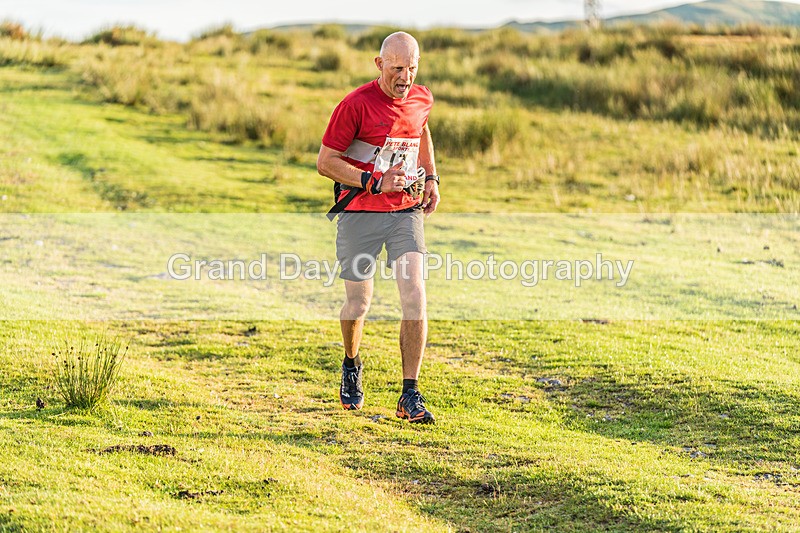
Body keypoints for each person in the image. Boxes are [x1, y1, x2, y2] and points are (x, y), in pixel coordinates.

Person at [316, 31, 440, 424]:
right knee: (359, 304)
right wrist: (373, 181)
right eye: (398, 68)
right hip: (360, 212)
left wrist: (432, 178)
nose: (405, 77)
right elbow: (326, 161)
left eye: (412, 68)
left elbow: (421, 130)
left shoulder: (421, 97)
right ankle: (351, 362)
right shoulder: (355, 105)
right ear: (379, 64)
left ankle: (410, 394)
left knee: (414, 293)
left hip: (405, 211)